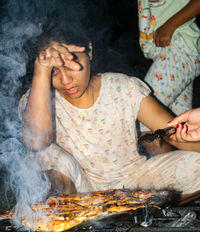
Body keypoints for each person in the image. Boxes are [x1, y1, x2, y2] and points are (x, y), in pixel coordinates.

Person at [18, 12, 200, 207]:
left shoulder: (122, 88)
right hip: (80, 194)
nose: (65, 80)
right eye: (53, 71)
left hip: (134, 185)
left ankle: (134, 212)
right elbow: (36, 141)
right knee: (45, 154)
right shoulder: (39, 99)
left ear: (89, 50)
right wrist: (42, 68)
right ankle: (73, 219)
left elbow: (177, 135)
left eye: (72, 62)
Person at [138, 0, 200, 155]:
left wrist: (170, 25)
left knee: (144, 116)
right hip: (170, 54)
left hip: (179, 48)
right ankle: (189, 177)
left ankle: (168, 178)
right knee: (182, 132)